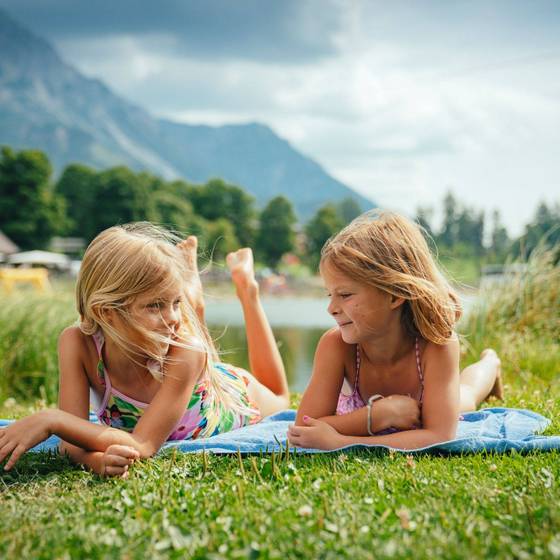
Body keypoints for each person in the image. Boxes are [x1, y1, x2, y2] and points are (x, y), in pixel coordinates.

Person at [0, 223, 289, 476]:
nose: (172, 316)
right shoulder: (76, 344)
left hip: (227, 398)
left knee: (280, 396)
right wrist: (96, 461)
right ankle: (190, 296)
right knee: (185, 335)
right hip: (185, 372)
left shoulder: (187, 351)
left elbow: (142, 444)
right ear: (106, 312)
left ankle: (246, 292)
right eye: (155, 305)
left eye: (175, 303)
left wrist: (51, 419)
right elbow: (71, 446)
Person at [288, 210, 502, 451]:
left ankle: (490, 365)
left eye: (345, 295)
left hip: (429, 403)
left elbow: (439, 435)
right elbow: (304, 429)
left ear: (394, 295)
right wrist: (379, 415)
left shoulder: (437, 345)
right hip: (383, 412)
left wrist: (344, 442)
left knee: (467, 396)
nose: (331, 308)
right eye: (330, 294)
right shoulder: (336, 345)